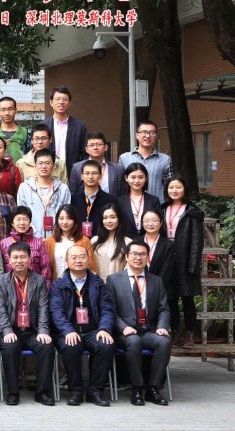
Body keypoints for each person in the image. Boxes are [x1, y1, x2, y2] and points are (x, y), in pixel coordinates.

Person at [50, 243, 116, 407]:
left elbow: (107, 309)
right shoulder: (58, 285)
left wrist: (104, 329)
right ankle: (75, 391)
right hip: (67, 332)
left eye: (82, 257)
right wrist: (68, 331)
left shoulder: (98, 283)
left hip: (93, 331)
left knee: (106, 345)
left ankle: (95, 391)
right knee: (70, 346)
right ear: (66, 261)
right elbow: (56, 312)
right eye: (74, 257)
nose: (78, 260)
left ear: (88, 259)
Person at [107, 241, 172, 406]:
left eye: (143, 254)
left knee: (164, 342)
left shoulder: (156, 280)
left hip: (148, 330)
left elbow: (164, 309)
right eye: (134, 254)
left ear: (147, 258)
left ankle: (153, 388)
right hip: (124, 333)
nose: (138, 258)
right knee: (134, 341)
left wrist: (162, 327)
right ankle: (136, 388)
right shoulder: (113, 280)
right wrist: (123, 327)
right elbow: (110, 310)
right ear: (126, 257)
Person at [0, 241, 55, 406]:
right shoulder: (0, 281)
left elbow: (43, 307)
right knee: (10, 347)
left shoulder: (39, 281)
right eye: (15, 257)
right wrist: (7, 331)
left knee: (46, 347)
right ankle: (13, 392)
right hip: (10, 329)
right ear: (9, 259)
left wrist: (43, 331)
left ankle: (42, 392)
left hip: (32, 330)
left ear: (29, 258)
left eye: (22, 257)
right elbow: (0, 310)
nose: (19, 261)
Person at [163, 176, 205, 347]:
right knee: (170, 298)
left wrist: (193, 265)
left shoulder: (192, 211)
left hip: (185, 257)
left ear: (184, 189)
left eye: (178, 187)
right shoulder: (162, 209)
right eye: (171, 187)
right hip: (167, 256)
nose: (174, 190)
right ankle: (175, 332)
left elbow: (197, 241)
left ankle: (189, 335)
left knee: (187, 299)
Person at [16, 148, 72, 238]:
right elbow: (22, 214)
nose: (44, 166)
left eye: (48, 163)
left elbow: (66, 215)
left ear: (54, 166)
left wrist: (54, 236)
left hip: (57, 238)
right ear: (35, 166)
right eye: (40, 163)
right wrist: (36, 236)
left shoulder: (63, 189)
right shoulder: (24, 188)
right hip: (32, 238)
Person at [119, 120, 174, 201]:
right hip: (131, 205)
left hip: (158, 206)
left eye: (152, 133)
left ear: (156, 136)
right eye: (144, 132)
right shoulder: (124, 158)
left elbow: (170, 186)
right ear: (137, 135)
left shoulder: (165, 160)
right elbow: (121, 185)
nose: (148, 136)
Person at [45, 205, 97, 282]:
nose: (65, 222)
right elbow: (46, 267)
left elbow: (91, 266)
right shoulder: (50, 242)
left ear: (74, 220)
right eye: (61, 218)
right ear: (57, 220)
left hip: (79, 284)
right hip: (56, 284)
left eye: (69, 218)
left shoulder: (84, 241)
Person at [0, 206, 50, 283]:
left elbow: (45, 267)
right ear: (12, 223)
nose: (22, 223)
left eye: (25, 219)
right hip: (10, 286)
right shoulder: (3, 243)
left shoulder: (39, 243)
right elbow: (0, 268)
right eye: (18, 219)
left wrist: (43, 287)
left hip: (35, 286)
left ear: (30, 222)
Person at [41, 85, 88, 166]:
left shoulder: (79, 126)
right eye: (57, 99)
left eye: (65, 99)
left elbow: (85, 152)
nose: (61, 102)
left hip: (72, 171)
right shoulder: (43, 125)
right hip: (48, 170)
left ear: (69, 103)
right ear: (51, 102)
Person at [71, 160, 117, 239]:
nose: (90, 177)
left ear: (101, 176)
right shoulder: (73, 199)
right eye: (87, 173)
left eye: (94, 173)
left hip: (102, 241)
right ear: (81, 176)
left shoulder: (110, 200)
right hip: (78, 242)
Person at [116, 162, 160, 237]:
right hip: (126, 240)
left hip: (148, 240)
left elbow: (159, 223)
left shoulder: (154, 200)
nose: (137, 181)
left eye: (140, 177)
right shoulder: (119, 201)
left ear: (146, 178)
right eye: (133, 177)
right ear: (126, 178)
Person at [0, 96, 31, 161]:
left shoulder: (27, 133)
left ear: (16, 110)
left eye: (10, 109)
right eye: (3, 110)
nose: (7, 113)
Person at [92, 203, 131, 280]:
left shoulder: (128, 242)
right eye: (105, 218)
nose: (108, 221)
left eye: (113, 217)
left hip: (119, 284)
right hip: (97, 284)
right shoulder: (94, 240)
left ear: (119, 218)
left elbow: (129, 267)